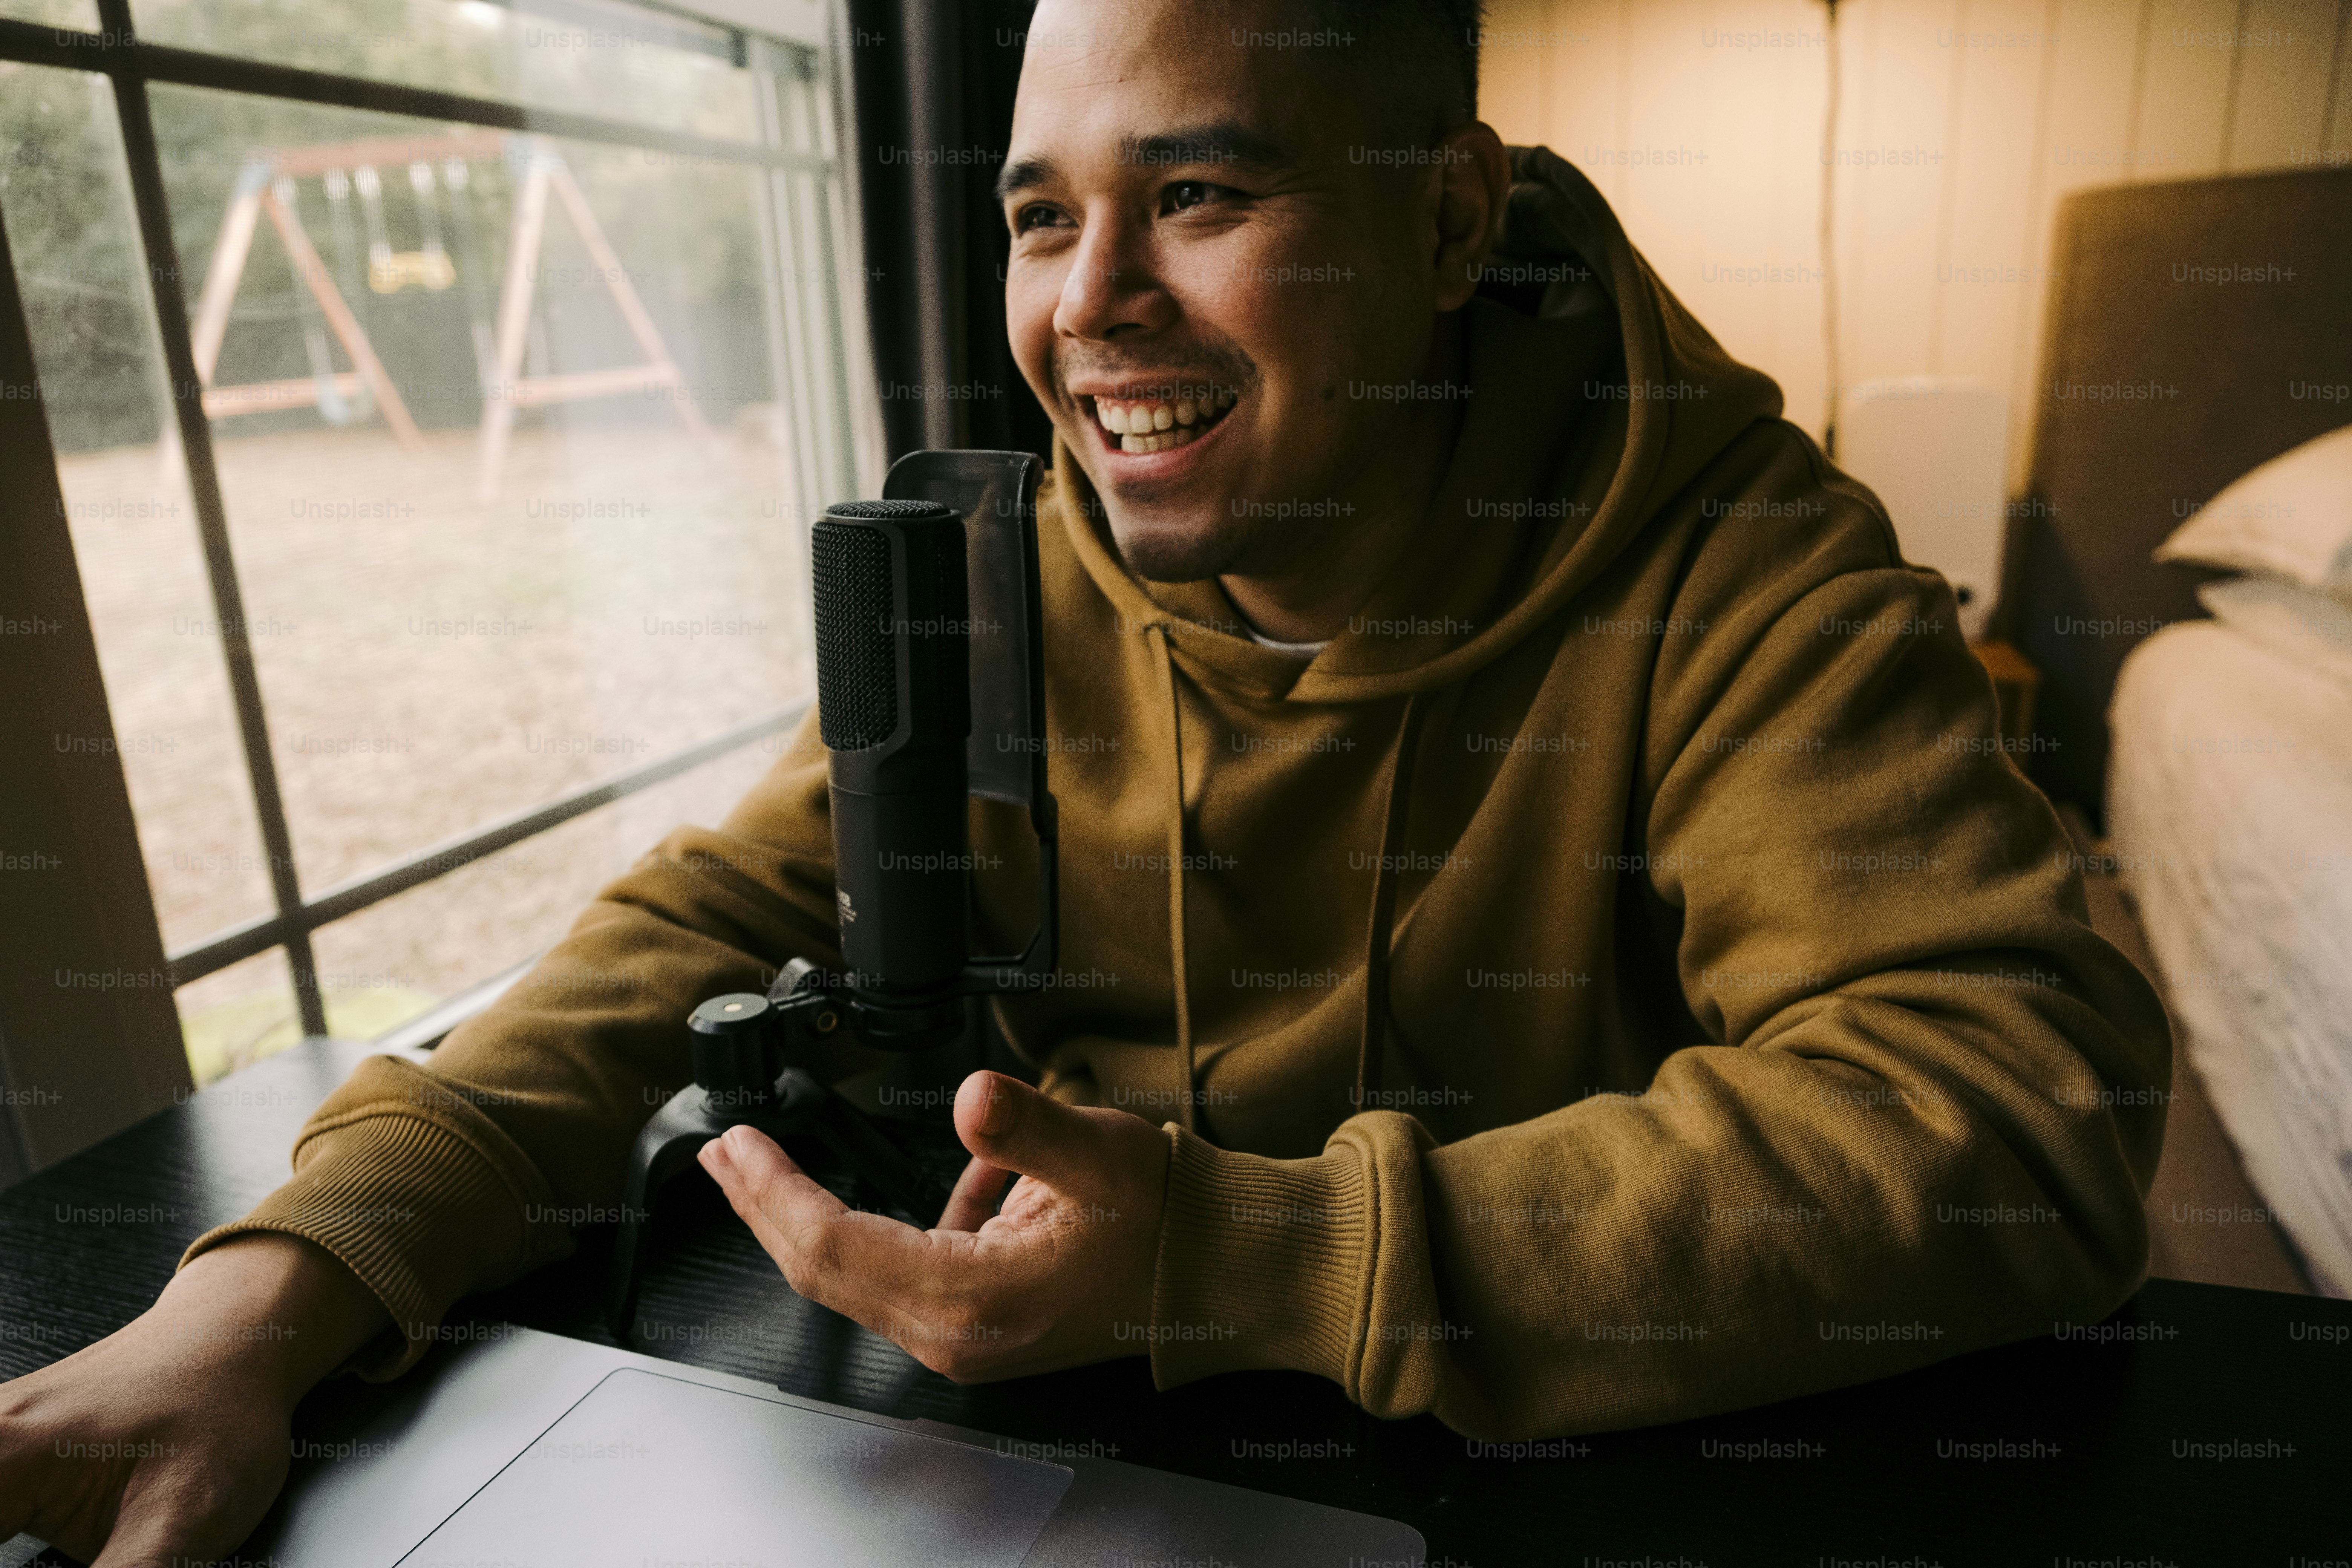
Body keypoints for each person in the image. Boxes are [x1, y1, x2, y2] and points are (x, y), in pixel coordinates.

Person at [0, 0, 2170, 1557]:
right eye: (1044, 219)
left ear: (1444, 220)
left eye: (1201, 193)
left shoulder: (1744, 568)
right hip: (1008, 1479)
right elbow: (676, 936)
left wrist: (1254, 1255)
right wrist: (258, 1310)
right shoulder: (995, 571)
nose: (1094, 309)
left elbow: (2012, 1116)